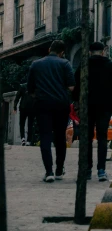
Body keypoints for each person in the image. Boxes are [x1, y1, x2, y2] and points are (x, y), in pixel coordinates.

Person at [73, 41, 112, 182]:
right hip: (105, 106)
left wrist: (76, 101)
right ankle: (101, 170)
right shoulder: (110, 65)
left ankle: (87, 169)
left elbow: (76, 84)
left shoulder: (84, 65)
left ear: (89, 52)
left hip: (87, 106)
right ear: (103, 51)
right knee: (102, 137)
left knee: (87, 138)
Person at [27, 40, 75, 182]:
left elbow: (30, 89)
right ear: (62, 53)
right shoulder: (65, 64)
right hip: (61, 104)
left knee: (45, 136)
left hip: (42, 105)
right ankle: (59, 170)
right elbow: (72, 87)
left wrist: (40, 95)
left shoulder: (36, 64)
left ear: (49, 49)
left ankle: (49, 171)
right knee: (60, 137)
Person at [14, 81, 36, 146]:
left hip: (24, 108)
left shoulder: (23, 86)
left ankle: (23, 139)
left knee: (22, 124)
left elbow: (17, 97)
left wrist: (15, 107)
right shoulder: (35, 87)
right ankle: (28, 140)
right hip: (31, 108)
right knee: (30, 125)